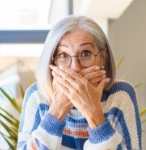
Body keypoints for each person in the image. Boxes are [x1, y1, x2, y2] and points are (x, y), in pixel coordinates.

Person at [17, 15, 142, 150]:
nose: (75, 67)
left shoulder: (121, 96)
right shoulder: (37, 96)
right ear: (52, 62)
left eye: (86, 53)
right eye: (63, 55)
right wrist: (57, 110)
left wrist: (94, 113)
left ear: (103, 58)